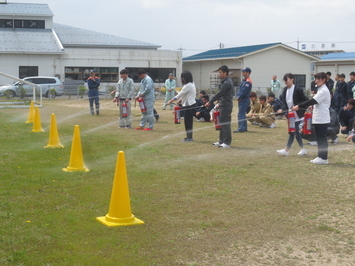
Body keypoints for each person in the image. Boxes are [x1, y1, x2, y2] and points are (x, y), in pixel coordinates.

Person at [293, 72, 331, 165]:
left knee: (322, 138)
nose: (316, 81)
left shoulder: (324, 90)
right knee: (319, 138)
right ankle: (320, 156)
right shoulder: (320, 89)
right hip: (318, 117)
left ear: (323, 80)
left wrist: (299, 105)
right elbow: (316, 102)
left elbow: (313, 100)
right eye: (315, 79)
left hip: (322, 118)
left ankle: (324, 158)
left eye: (318, 79)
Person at [276, 73, 308, 156]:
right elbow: (284, 103)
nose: (286, 82)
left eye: (287, 80)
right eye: (285, 80)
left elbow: (305, 100)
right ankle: (302, 149)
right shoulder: (285, 90)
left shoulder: (298, 89)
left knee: (294, 131)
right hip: (290, 115)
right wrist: (282, 109)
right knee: (294, 132)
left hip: (298, 114)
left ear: (292, 79)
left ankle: (287, 149)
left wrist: (298, 106)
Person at [206, 65, 234, 148]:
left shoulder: (227, 83)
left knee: (225, 124)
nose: (219, 74)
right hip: (222, 105)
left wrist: (210, 102)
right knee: (221, 123)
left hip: (226, 106)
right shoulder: (225, 81)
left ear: (225, 73)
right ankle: (221, 141)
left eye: (220, 72)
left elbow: (220, 93)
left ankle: (227, 142)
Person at [167, 70, 197, 142]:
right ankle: (188, 137)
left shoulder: (187, 85)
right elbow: (185, 94)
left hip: (188, 105)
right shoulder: (192, 83)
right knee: (188, 122)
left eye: (183, 77)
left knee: (188, 122)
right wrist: (181, 99)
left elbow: (180, 94)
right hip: (190, 104)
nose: (182, 79)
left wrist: (171, 100)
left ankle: (189, 138)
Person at [234, 67, 252, 133]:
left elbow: (244, 91)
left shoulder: (248, 81)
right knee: (242, 113)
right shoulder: (244, 80)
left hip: (244, 99)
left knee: (241, 113)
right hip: (242, 98)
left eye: (244, 72)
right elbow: (240, 89)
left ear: (248, 73)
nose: (243, 73)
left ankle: (241, 128)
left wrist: (239, 97)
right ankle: (244, 127)